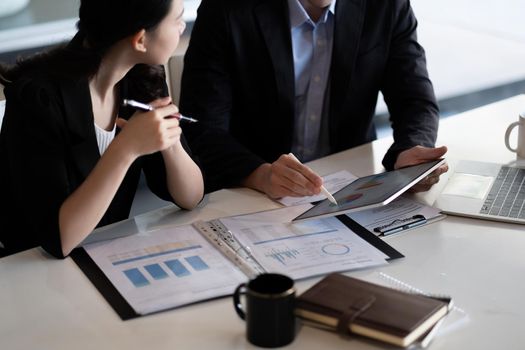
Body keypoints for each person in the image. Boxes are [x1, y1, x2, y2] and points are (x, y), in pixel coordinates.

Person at [180, 0, 448, 198]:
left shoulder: (386, 6)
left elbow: (414, 98)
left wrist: (411, 148)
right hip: (251, 192)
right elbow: (202, 127)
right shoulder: (226, 8)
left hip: (348, 188)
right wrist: (260, 175)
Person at [0, 0, 204, 258]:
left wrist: (171, 141)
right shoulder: (38, 98)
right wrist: (126, 148)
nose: (181, 27)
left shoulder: (143, 77)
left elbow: (191, 197)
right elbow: (58, 240)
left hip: (102, 256)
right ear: (140, 40)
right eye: (177, 19)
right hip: (28, 270)